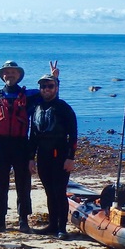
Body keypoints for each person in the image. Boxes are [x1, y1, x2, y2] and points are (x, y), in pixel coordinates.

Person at [0, 59, 58, 233]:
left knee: (23, 183)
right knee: (0, 183)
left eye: (13, 72)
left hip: (21, 144)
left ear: (18, 75)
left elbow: (51, 97)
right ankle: (0, 219)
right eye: (7, 72)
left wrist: (54, 79)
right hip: (0, 145)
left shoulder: (30, 96)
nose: (9, 75)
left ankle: (23, 220)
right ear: (3, 76)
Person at [28, 74, 77, 238]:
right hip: (43, 156)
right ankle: (52, 225)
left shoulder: (64, 108)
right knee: (49, 191)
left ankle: (62, 228)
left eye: (50, 86)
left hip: (60, 156)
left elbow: (73, 135)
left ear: (56, 88)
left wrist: (70, 158)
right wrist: (31, 158)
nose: (46, 89)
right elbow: (33, 136)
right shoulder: (37, 108)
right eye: (43, 87)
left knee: (59, 191)